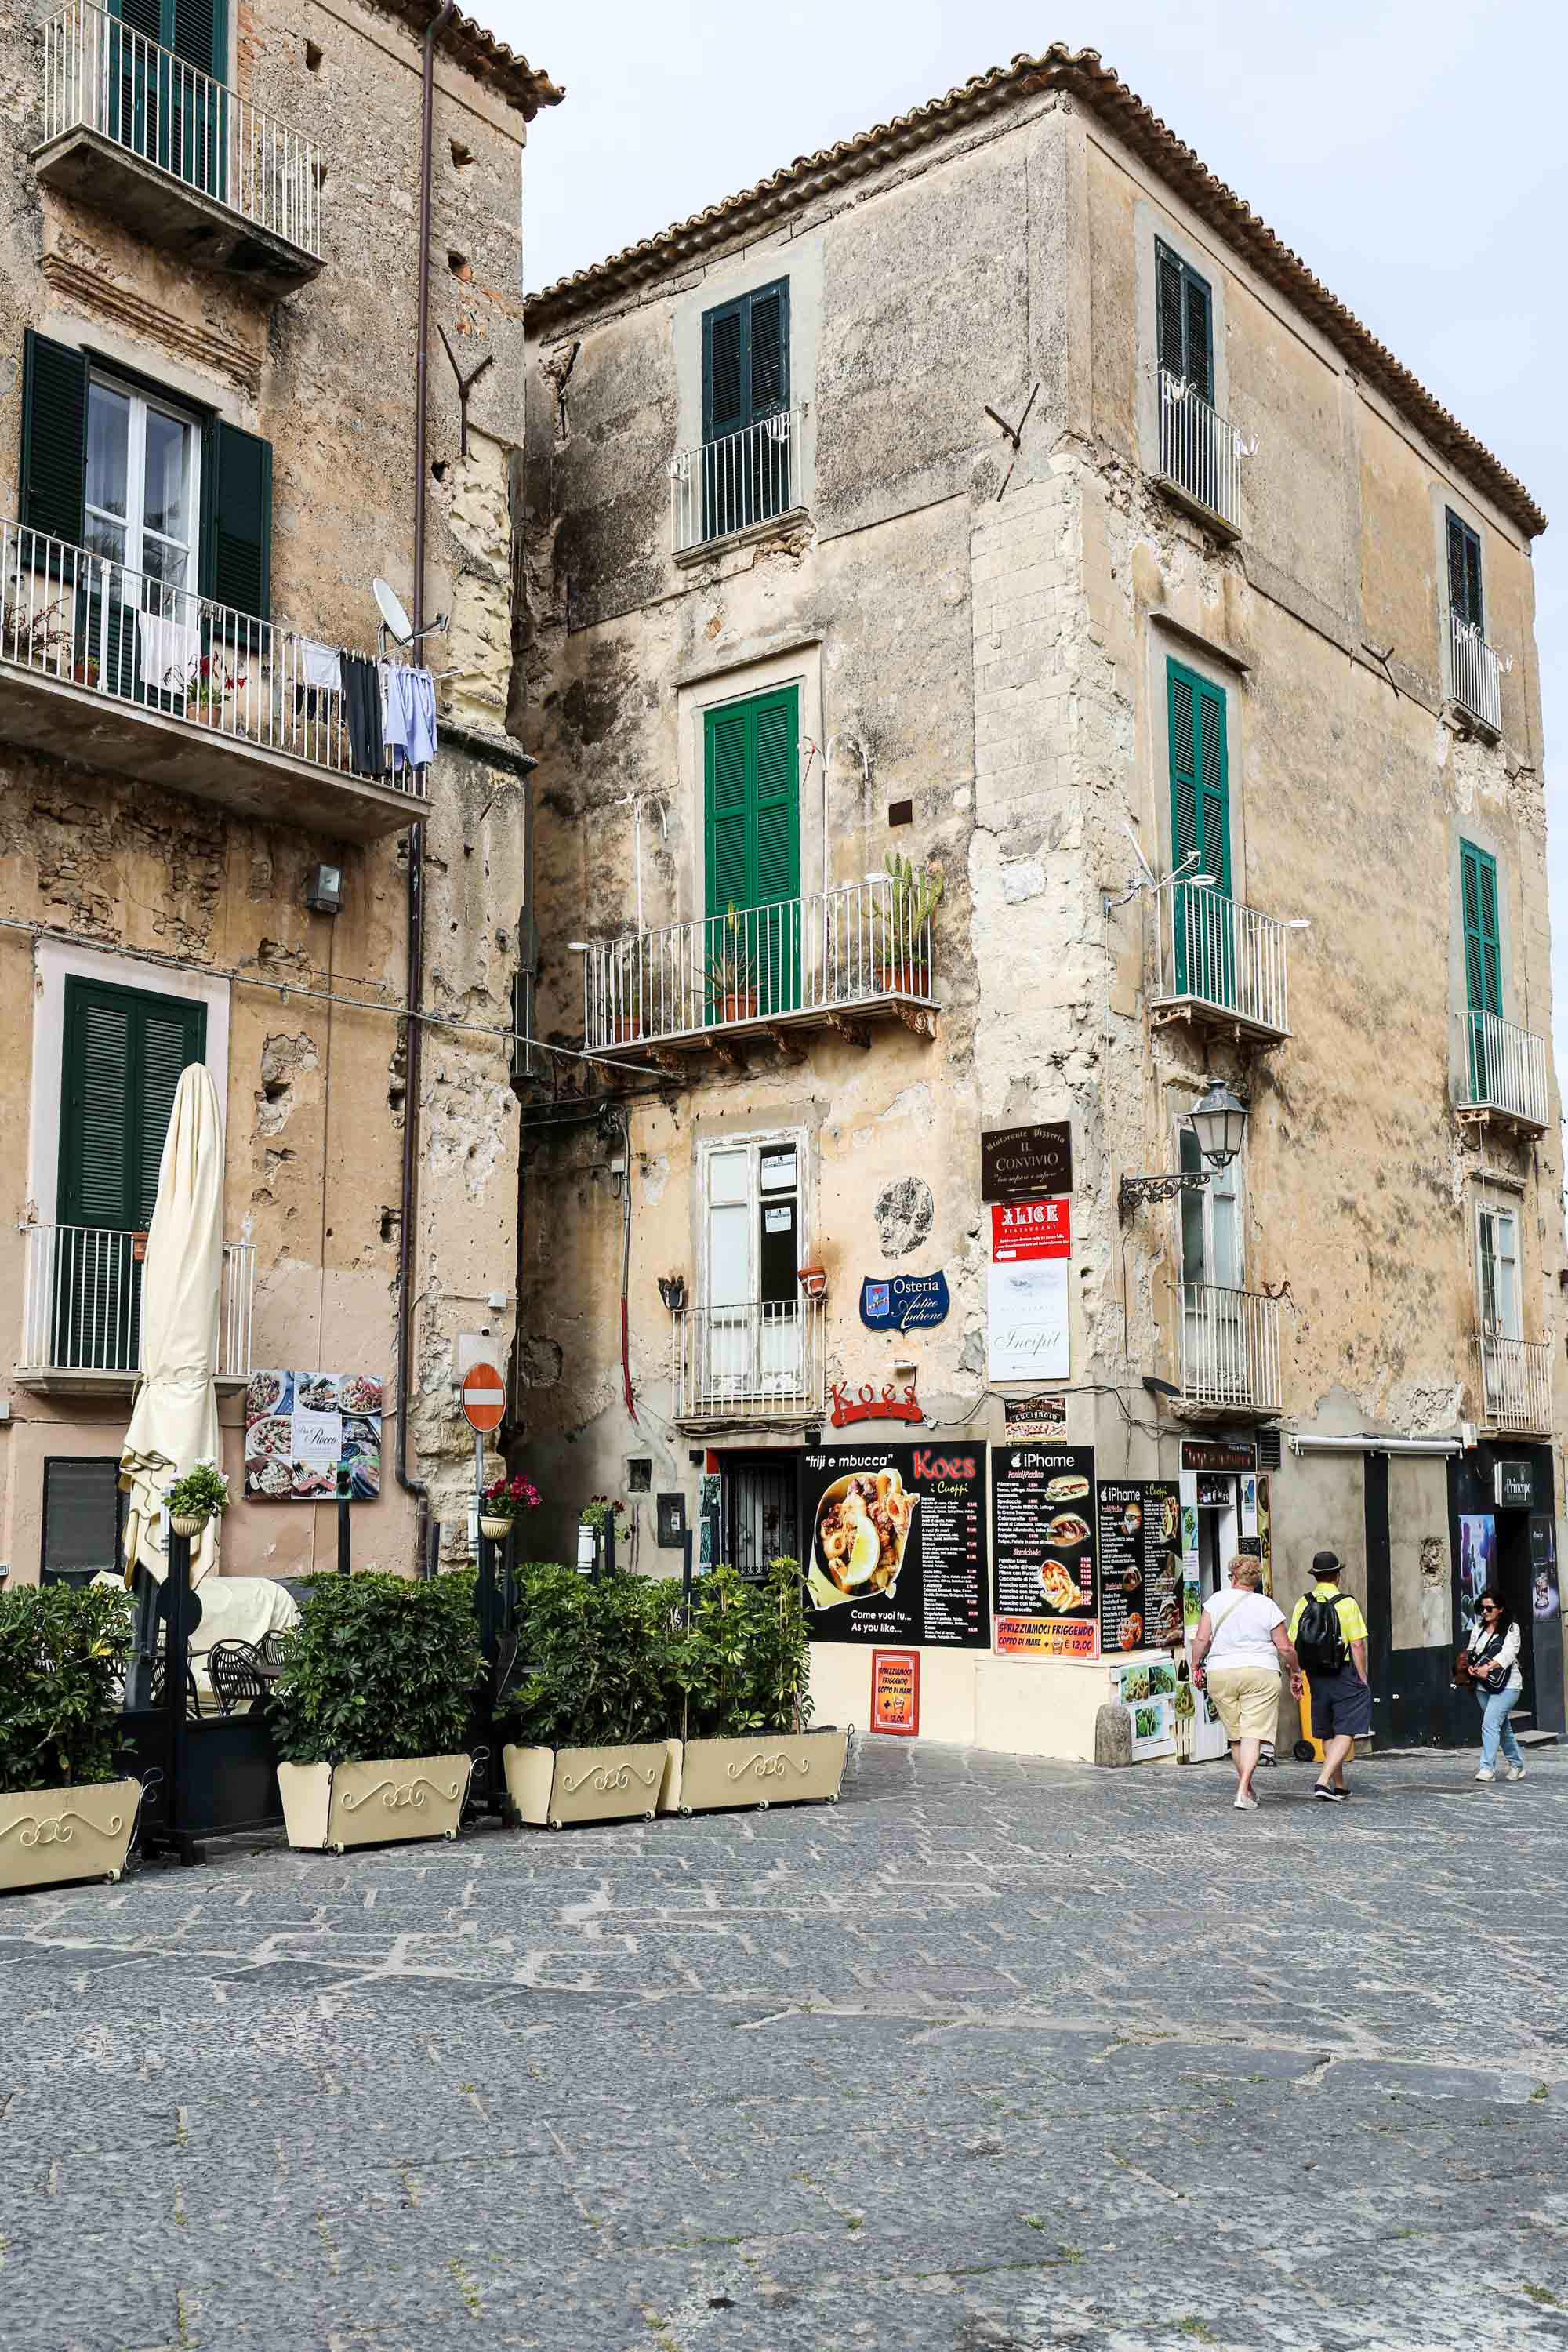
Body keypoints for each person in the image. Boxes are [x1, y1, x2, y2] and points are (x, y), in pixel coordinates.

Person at [1189, 1559, 1302, 1813]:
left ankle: (1246, 1787)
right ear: (1256, 1580)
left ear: (1233, 1577)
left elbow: (1201, 1639)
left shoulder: (1215, 1601)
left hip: (1221, 1673)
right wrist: (1296, 1671)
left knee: (1236, 1736)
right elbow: (1285, 1647)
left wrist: (1195, 1665)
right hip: (1260, 1672)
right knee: (1253, 1733)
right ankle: (1243, 1790)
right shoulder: (1267, 1605)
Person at [1288, 1550, 1371, 1803]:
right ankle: (1323, 1780)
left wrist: (1296, 1673)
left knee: (1327, 1731)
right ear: (1337, 1575)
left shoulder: (1303, 1603)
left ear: (1316, 1576)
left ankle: (1340, 1785)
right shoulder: (1347, 1603)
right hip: (1342, 1671)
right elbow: (1357, 1645)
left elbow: (1293, 1644)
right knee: (1347, 1727)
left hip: (1315, 1674)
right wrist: (1362, 1677)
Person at [1467, 1588, 1526, 1784]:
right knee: (1502, 1727)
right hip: (1483, 1685)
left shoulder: (1512, 1629)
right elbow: (1472, 1650)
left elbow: (1509, 1654)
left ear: (1500, 1609)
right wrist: (1470, 1666)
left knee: (1490, 1723)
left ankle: (1487, 1769)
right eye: (1482, 1608)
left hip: (1508, 1685)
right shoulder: (1478, 1628)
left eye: (1489, 1608)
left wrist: (1488, 1667)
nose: (1485, 1612)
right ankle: (1517, 1764)